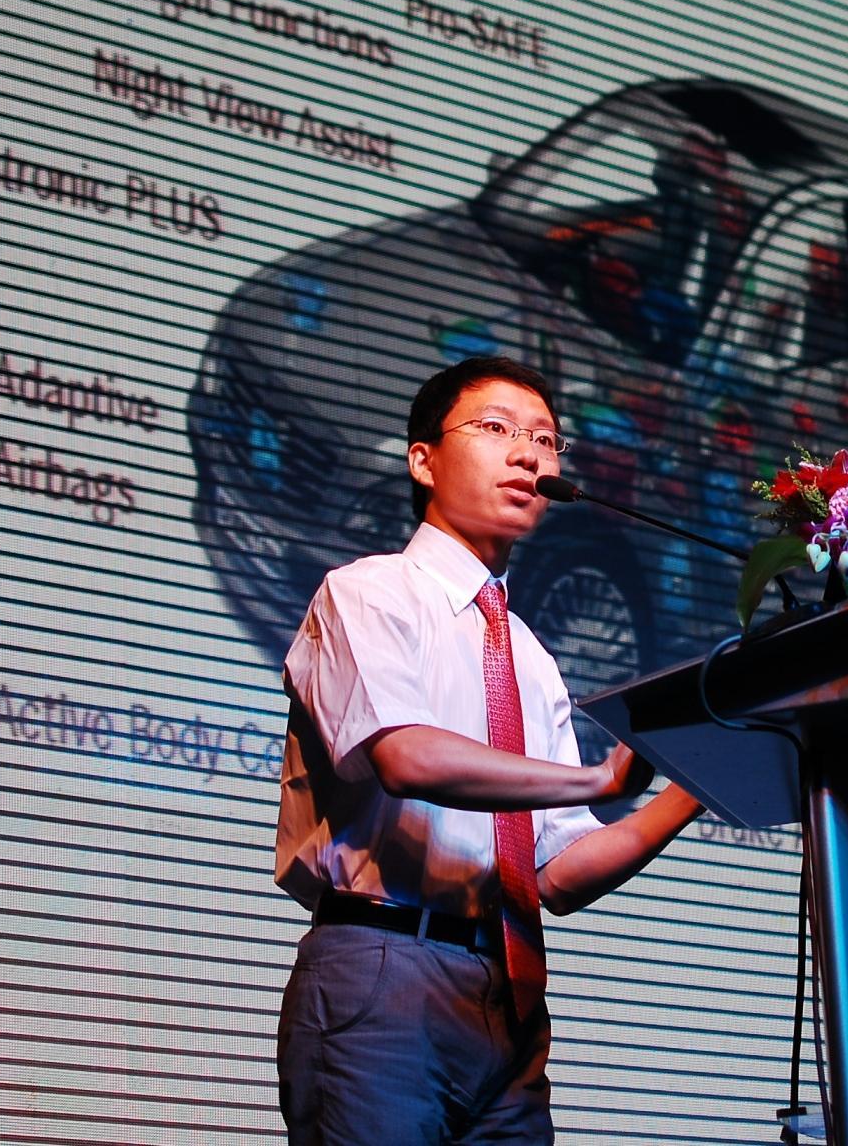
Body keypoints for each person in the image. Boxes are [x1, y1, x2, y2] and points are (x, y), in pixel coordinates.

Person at [274, 354, 705, 1145]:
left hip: (509, 992)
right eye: (498, 429)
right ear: (423, 460)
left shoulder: (530, 656)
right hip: (384, 969)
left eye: (545, 440)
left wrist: (699, 778)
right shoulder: (369, 592)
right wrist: (595, 779)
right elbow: (406, 756)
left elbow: (557, 874)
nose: (529, 456)